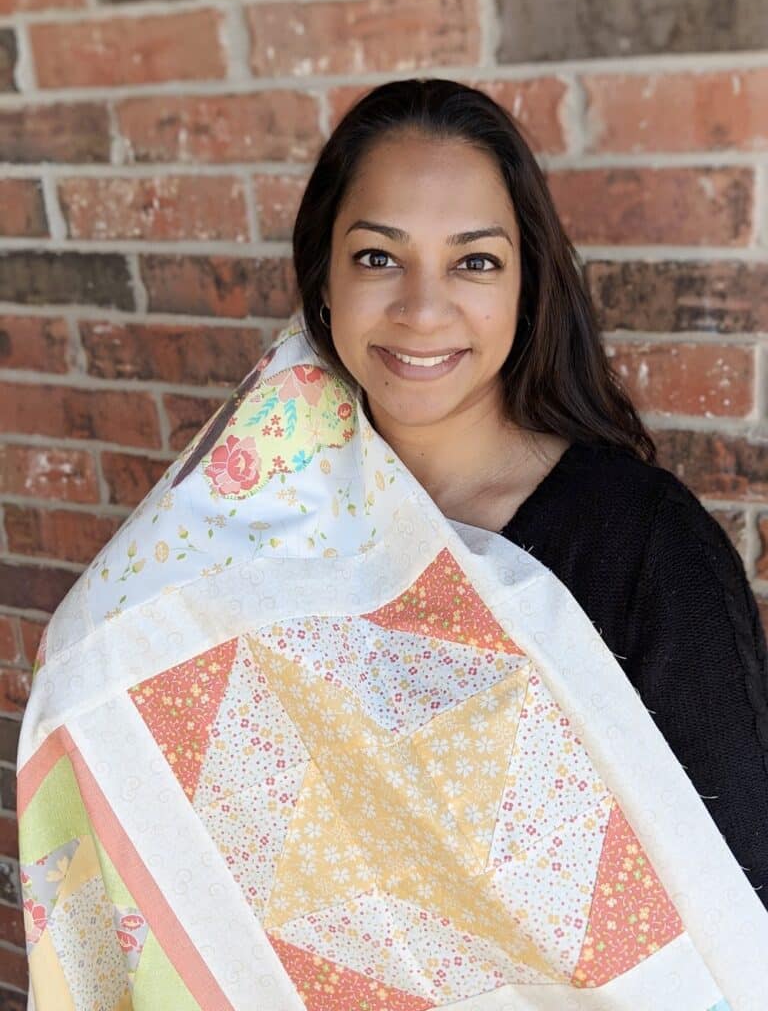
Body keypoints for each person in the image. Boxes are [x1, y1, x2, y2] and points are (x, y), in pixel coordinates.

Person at [18, 76, 768, 1009]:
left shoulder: (647, 549)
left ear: (527, 284)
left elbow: (731, 912)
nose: (421, 308)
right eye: (378, 258)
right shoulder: (252, 525)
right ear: (322, 283)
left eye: (474, 262)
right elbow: (111, 682)